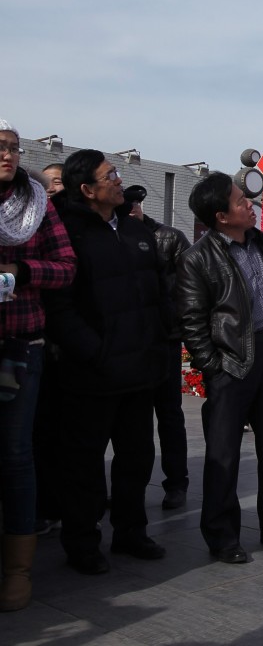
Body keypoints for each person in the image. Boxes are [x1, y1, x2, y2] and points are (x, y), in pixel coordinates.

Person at [46, 149, 168, 575]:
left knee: (136, 458)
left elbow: (157, 297)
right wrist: (94, 352)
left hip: (139, 371)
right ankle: (82, 542)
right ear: (87, 189)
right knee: (84, 465)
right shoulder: (65, 234)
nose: (118, 181)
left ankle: (131, 532)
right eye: (110, 175)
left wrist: (158, 346)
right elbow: (59, 307)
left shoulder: (138, 234)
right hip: (91, 374)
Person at [177, 172, 263, 564]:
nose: (248, 203)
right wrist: (213, 367)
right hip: (231, 365)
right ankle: (222, 538)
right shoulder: (197, 258)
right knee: (224, 455)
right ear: (221, 216)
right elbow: (191, 321)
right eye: (239, 201)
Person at [0, 120, 75, 610]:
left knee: (15, 454)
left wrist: (22, 270)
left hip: (21, 342)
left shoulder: (36, 202)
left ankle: (18, 570)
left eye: (12, 148)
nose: (7, 155)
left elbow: (67, 268)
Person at [123, 185, 192, 510]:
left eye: (135, 203)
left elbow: (188, 289)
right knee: (127, 421)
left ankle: (176, 483)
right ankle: (126, 490)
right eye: (126, 203)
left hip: (163, 341)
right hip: (126, 345)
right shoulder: (111, 236)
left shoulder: (169, 238)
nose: (132, 208)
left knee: (169, 416)